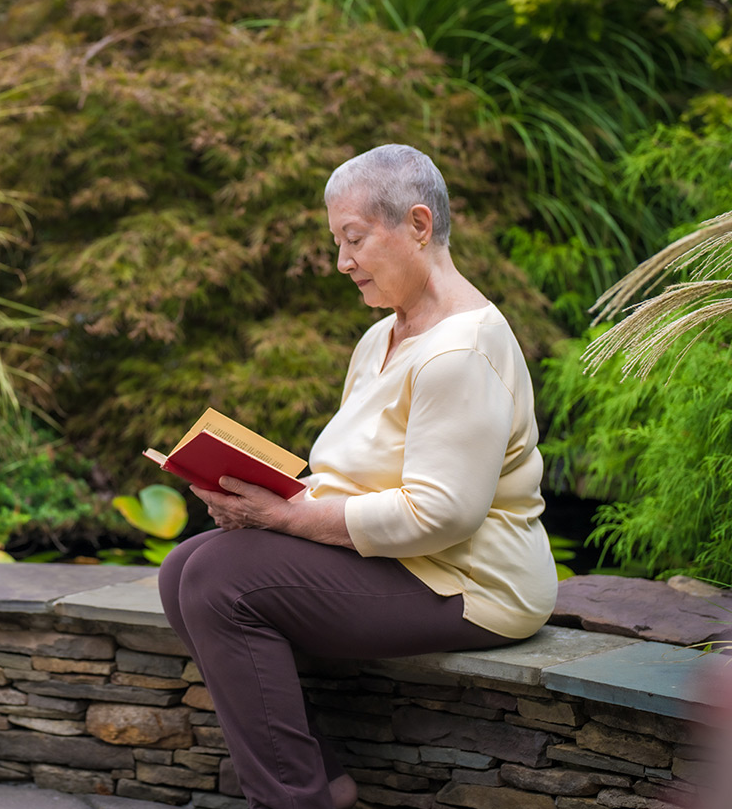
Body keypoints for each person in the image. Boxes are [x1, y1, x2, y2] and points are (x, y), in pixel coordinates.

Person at [158, 144, 558, 809]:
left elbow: (441, 516)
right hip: (402, 563)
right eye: (335, 242)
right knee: (184, 569)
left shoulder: (460, 352)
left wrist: (285, 517)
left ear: (418, 226)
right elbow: (351, 475)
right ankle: (317, 785)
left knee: (215, 579)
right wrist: (263, 495)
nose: (341, 262)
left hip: (470, 582)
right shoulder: (381, 338)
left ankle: (296, 799)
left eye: (354, 239)